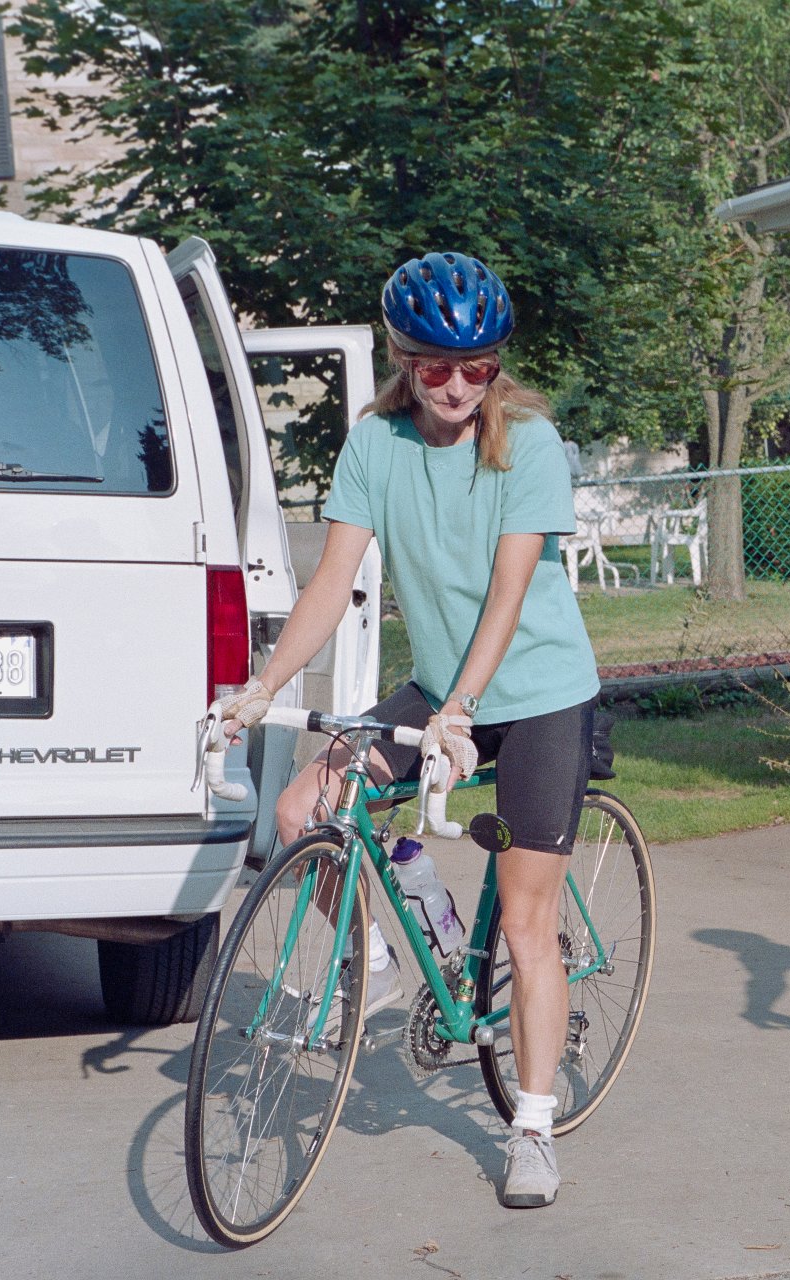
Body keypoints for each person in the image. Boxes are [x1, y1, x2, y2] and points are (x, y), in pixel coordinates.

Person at [218, 250, 601, 1205]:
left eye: (479, 367)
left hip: (539, 693)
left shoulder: (527, 443)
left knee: (527, 923)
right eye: (437, 367)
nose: (459, 386)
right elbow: (331, 584)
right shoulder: (374, 444)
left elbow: (509, 593)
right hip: (439, 687)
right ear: (403, 359)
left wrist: (461, 709)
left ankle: (533, 1127)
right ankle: (379, 962)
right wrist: (262, 685)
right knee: (303, 808)